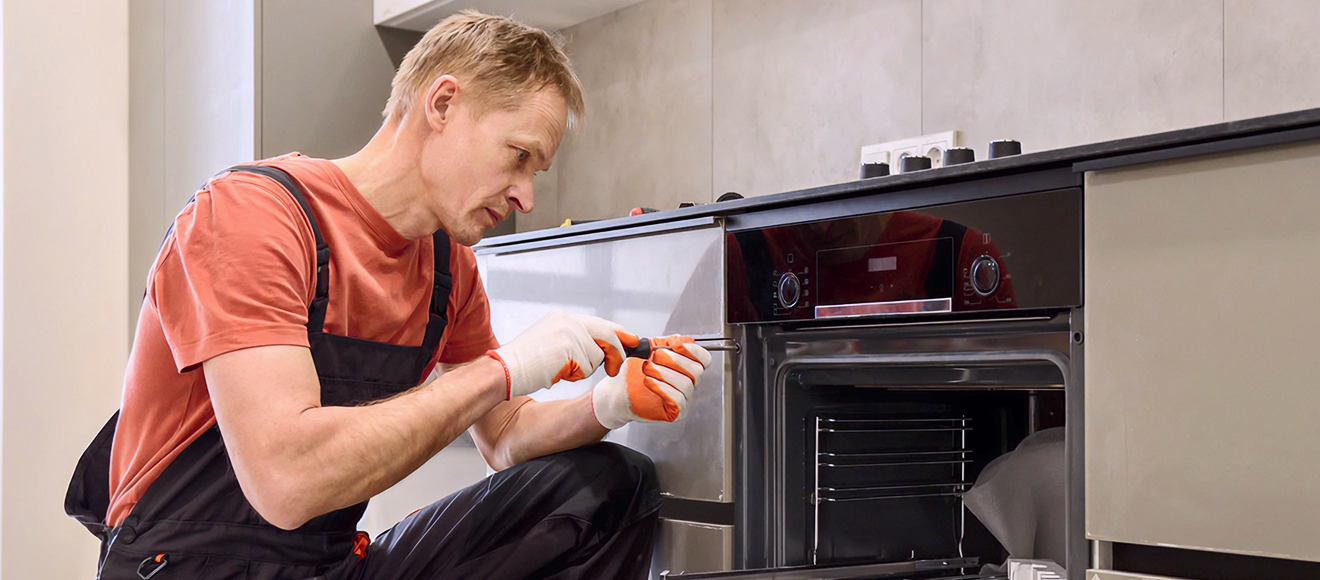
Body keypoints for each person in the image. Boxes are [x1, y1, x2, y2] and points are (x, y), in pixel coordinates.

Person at [65, 11, 711, 580]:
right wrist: (505, 368)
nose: (526, 197)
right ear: (443, 104)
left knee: (608, 487)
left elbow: (504, 439)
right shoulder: (253, 216)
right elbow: (286, 481)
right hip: (184, 568)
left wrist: (608, 404)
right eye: (519, 156)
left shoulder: (449, 267)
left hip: (324, 568)